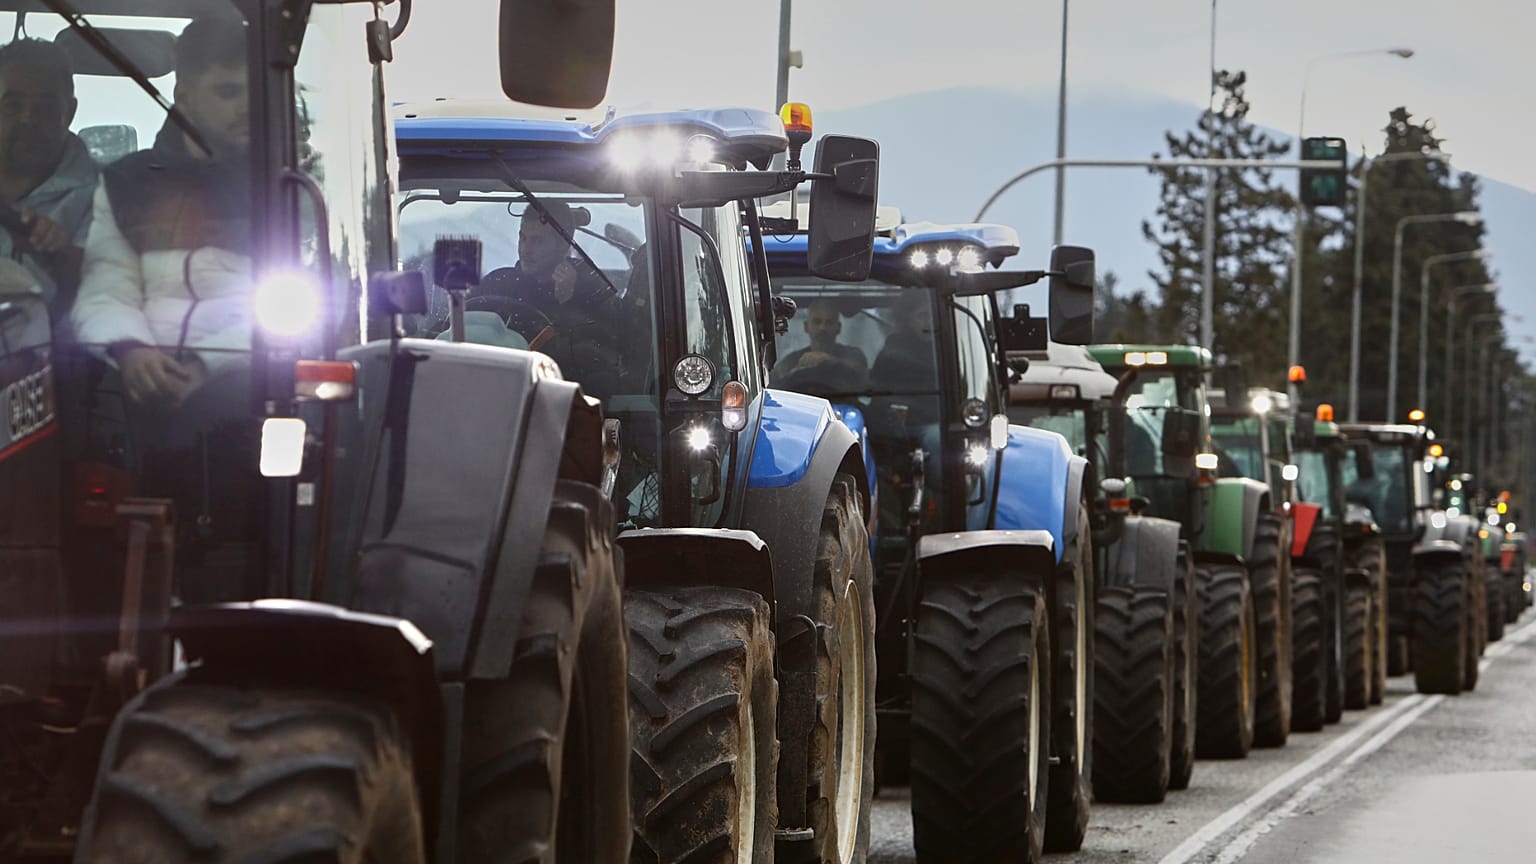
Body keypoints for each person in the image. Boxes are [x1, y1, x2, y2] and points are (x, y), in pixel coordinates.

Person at [70, 16, 251, 409]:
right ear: (184, 97)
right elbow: (105, 288)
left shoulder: (290, 187)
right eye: (228, 91)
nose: (246, 107)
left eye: (255, 93)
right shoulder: (127, 182)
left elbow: (304, 309)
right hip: (139, 399)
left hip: (254, 393)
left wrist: (206, 365)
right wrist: (130, 350)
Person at [0, 38, 98, 316]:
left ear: (70, 112)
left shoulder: (103, 197)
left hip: (53, 352)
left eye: (45, 107)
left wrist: (59, 253)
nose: (27, 118)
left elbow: (105, 295)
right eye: (13, 105)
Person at [777, 298, 867, 389]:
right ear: (806, 326)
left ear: (839, 328)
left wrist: (828, 360)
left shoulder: (853, 355)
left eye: (829, 322)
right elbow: (774, 382)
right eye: (817, 322)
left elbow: (860, 375)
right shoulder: (793, 360)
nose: (822, 328)